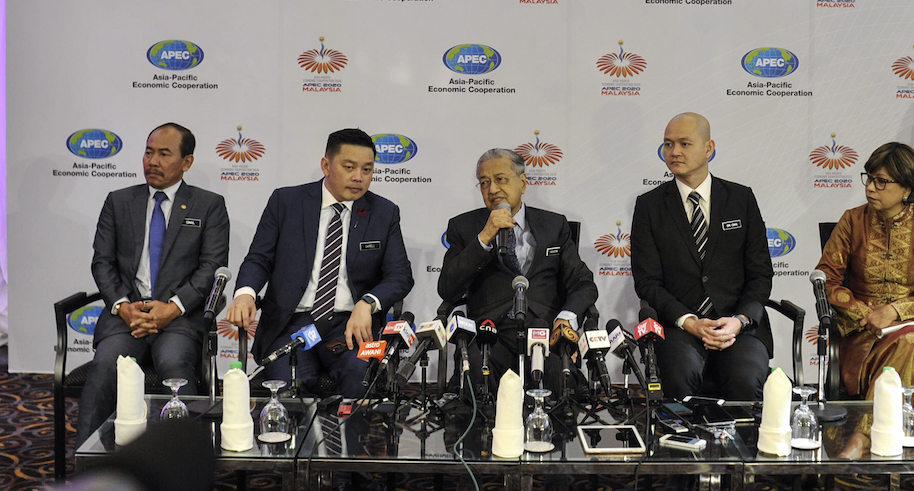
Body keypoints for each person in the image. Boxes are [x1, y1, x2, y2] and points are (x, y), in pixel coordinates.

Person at [816, 142, 914, 490]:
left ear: (907, 189)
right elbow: (826, 279)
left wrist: (895, 311)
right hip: (864, 335)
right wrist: (864, 312)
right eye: (869, 179)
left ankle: (861, 438)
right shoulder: (852, 221)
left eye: (882, 182)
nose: (871, 187)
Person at [226, 128, 414, 398]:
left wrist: (368, 302)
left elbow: (400, 275)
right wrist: (245, 294)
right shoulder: (286, 202)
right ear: (326, 165)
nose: (358, 178)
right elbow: (259, 258)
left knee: (359, 378)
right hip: (291, 324)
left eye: (367, 170)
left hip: (350, 326)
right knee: (290, 389)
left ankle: (349, 441)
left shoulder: (383, 213)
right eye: (349, 167)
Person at [78, 123, 230, 443]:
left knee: (175, 365)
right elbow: (102, 262)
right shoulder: (119, 201)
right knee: (106, 366)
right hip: (127, 316)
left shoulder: (209, 205)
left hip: (179, 319)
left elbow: (211, 268)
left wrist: (172, 308)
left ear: (186, 162)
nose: (153, 161)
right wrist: (122, 306)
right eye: (148, 152)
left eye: (164, 154)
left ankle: (184, 466)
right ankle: (90, 468)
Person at [630, 113, 773, 400]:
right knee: (678, 377)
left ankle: (743, 446)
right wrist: (689, 321)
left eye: (684, 143)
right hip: (679, 327)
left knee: (745, 378)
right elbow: (647, 282)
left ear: (709, 148)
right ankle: (678, 444)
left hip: (738, 327)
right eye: (668, 145)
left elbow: (760, 274)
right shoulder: (649, 206)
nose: (674, 152)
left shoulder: (741, 199)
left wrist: (740, 320)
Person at [438, 148, 598, 389]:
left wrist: (566, 318)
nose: (492, 189)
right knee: (474, 382)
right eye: (484, 182)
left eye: (500, 179)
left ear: (523, 183)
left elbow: (583, 283)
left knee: (563, 383)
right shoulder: (464, 227)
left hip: (542, 332)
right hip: (489, 335)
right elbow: (448, 289)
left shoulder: (554, 225)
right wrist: (484, 238)